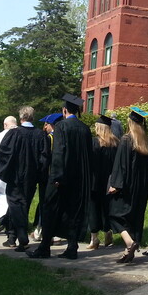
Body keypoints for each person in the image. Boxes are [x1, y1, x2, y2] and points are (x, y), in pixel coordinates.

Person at [27, 94, 93, 260]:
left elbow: (59, 152)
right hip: (79, 178)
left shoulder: (62, 127)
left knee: (50, 209)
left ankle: (44, 248)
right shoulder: (85, 128)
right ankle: (72, 247)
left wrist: (56, 176)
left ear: (64, 110)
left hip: (61, 178)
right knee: (73, 211)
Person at [0, 106, 49, 251]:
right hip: (31, 178)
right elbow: (45, 158)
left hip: (15, 177)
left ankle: (21, 236)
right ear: (32, 117)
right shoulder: (40, 135)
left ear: (21, 117)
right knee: (23, 205)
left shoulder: (13, 134)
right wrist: (40, 176)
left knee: (16, 205)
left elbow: (4, 154)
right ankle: (11, 237)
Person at [108, 107, 148, 264]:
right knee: (135, 218)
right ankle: (129, 253)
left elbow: (121, 165)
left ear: (130, 122)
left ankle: (129, 243)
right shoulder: (145, 142)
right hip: (140, 189)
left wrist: (115, 184)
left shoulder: (126, 140)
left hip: (127, 187)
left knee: (115, 214)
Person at [88, 114, 119, 249]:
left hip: (95, 181)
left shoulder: (94, 142)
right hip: (110, 181)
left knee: (93, 209)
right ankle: (108, 234)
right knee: (107, 208)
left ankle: (94, 239)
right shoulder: (116, 143)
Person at [30, 112, 60, 243]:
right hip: (59, 178)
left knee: (45, 205)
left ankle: (41, 231)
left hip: (47, 177)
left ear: (51, 125)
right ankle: (54, 232)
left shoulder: (49, 139)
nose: (44, 126)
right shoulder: (62, 138)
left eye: (46, 124)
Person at [0, 115, 18, 238]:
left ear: (5, 125)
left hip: (2, 170)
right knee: (12, 197)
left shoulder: (1, 135)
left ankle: (2, 217)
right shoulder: (20, 133)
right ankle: (12, 220)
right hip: (17, 172)